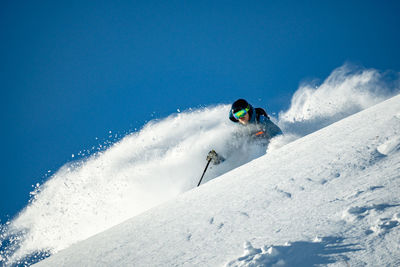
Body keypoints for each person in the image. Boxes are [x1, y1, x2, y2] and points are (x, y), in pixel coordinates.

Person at [206, 99, 282, 165]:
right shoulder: (240, 131)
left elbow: (278, 135)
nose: (240, 117)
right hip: (253, 161)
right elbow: (230, 149)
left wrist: (278, 148)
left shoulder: (261, 121)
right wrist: (217, 158)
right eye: (237, 115)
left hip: (270, 155)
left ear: (248, 110)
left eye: (242, 113)